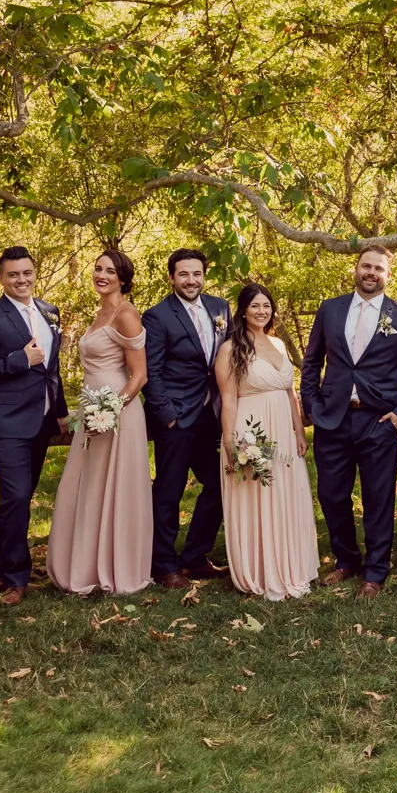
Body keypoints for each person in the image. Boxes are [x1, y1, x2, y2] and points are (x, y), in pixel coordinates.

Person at [300, 244, 397, 598]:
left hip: (379, 420)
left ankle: (375, 571)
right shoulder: (330, 309)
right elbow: (311, 363)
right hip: (333, 419)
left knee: (379, 497)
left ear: (388, 275)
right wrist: (312, 404)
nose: (371, 273)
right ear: (356, 269)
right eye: (365, 266)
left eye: (379, 269)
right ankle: (345, 561)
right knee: (332, 494)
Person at [0, 246, 69, 605]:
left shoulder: (50, 312)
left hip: (40, 421)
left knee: (22, 496)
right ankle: (11, 579)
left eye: (27, 273)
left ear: (35, 273)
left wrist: (61, 412)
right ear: (1, 278)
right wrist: (16, 360)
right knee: (17, 495)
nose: (21, 280)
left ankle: (12, 569)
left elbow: (52, 370)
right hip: (3, 421)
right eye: (13, 275)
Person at [46, 250, 153, 596]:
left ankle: (116, 567)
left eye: (110, 271)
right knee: (86, 487)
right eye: (98, 268)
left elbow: (139, 376)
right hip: (93, 411)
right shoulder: (101, 313)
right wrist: (89, 412)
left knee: (113, 488)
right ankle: (86, 564)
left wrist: (109, 411)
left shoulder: (126, 315)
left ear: (123, 279)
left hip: (117, 414)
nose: (101, 275)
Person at [215, 282, 318, 600]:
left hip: (284, 432)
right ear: (243, 310)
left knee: (287, 494)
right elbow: (228, 400)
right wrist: (232, 445)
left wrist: (299, 431)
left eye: (266, 306)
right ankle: (261, 570)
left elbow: (290, 391)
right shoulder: (231, 348)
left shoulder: (277, 343)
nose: (262, 311)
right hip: (251, 429)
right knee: (257, 497)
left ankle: (290, 565)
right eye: (255, 306)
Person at [143, 248, 231, 589]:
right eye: (183, 274)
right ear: (172, 277)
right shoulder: (157, 316)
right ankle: (163, 565)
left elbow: (228, 355)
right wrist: (167, 416)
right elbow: (152, 371)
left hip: (213, 414)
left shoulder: (220, 308)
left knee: (220, 485)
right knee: (169, 490)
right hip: (177, 419)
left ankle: (194, 557)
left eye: (196, 274)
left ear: (203, 276)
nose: (191, 280)